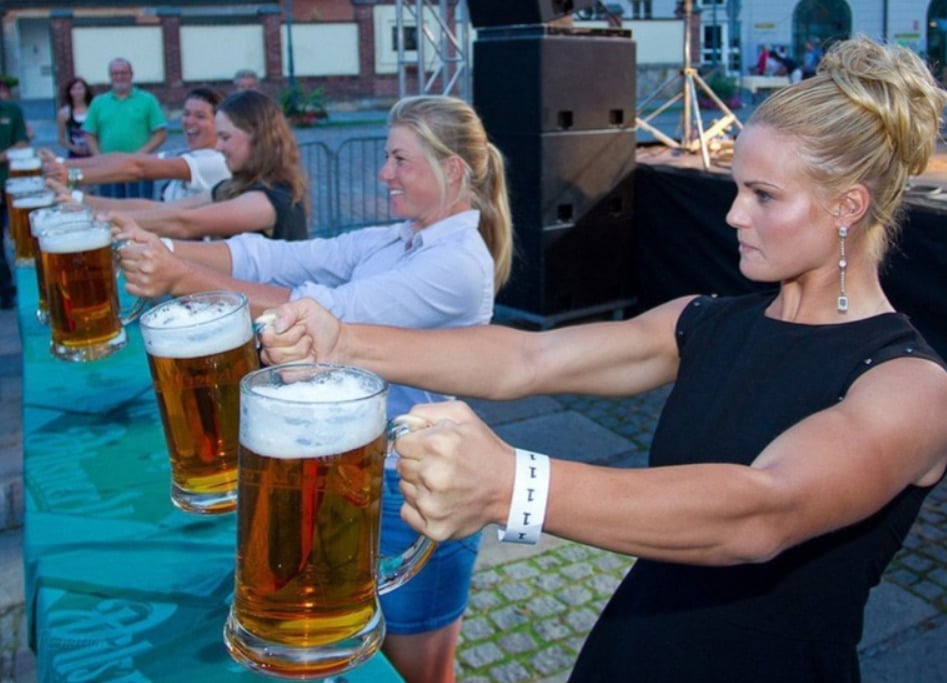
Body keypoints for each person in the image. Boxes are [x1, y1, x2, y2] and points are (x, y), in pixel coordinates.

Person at [259, 36, 947, 682]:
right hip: (626, 653)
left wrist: (509, 484)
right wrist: (341, 341)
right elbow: (526, 361)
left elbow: (761, 511)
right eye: (736, 187)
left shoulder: (911, 386)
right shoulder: (704, 320)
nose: (733, 214)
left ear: (846, 207)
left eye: (762, 195)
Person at [115, 94, 513, 683]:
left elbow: (325, 314)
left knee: (419, 673)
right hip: (359, 482)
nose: (384, 173)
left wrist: (182, 278)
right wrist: (168, 252)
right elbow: (276, 257)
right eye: (387, 157)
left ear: (452, 169)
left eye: (400, 159)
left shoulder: (457, 262)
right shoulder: (401, 238)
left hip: (414, 495)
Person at [105, 89, 307, 241]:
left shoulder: (268, 199)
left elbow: (184, 222)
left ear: (258, 137)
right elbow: (165, 209)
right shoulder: (238, 185)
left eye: (225, 137)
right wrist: (89, 209)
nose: (218, 147)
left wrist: (104, 225)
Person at [42, 88, 229, 209]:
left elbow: (138, 169)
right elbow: (125, 159)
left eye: (200, 116)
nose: (189, 121)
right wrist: (61, 163)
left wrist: (71, 179)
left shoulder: (216, 161)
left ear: (219, 123)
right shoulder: (186, 153)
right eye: (186, 114)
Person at [83, 58, 168, 199]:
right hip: (109, 168)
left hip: (140, 167)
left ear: (131, 74)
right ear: (110, 76)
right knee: (111, 209)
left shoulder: (147, 100)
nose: (120, 77)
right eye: (115, 73)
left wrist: (140, 155)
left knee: (142, 209)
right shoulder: (98, 102)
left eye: (124, 72)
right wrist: (98, 158)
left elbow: (160, 133)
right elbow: (89, 134)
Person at [0, 75, 30, 308]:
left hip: (12, 183)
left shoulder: (11, 110)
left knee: (18, 236)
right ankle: (5, 289)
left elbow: (22, 142)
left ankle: (12, 288)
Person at [56, 77, 93, 159]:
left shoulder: (94, 110)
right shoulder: (64, 113)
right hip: (75, 156)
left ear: (86, 90)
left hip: (95, 154)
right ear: (69, 92)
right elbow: (61, 139)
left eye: (80, 88)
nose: (77, 92)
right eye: (73, 89)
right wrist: (75, 148)